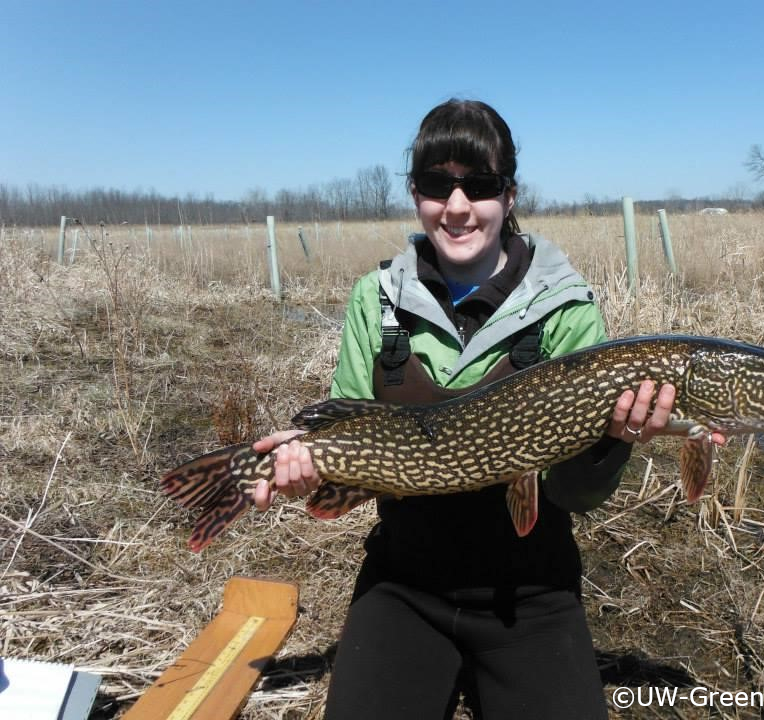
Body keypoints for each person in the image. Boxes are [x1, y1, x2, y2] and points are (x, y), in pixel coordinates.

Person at [252, 99, 725, 719]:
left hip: (531, 592)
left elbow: (578, 496)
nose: (456, 206)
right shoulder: (376, 299)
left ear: (508, 193)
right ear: (414, 193)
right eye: (434, 184)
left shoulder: (566, 308)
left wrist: (614, 439)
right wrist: (310, 471)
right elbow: (348, 451)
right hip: (404, 583)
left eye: (478, 185)